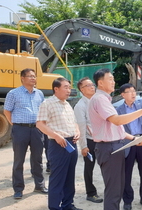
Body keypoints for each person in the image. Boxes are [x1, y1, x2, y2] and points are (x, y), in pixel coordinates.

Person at [88, 68, 142, 210]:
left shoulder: (106, 100)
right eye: (110, 79)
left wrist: (134, 139)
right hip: (109, 148)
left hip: (116, 146)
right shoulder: (100, 99)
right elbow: (118, 121)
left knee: (117, 190)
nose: (113, 82)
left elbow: (117, 130)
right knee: (113, 192)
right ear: (100, 83)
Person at [36, 77, 82, 210]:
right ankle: (54, 207)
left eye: (69, 87)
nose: (69, 90)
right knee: (58, 178)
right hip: (58, 144)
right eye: (66, 87)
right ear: (56, 89)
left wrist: (77, 131)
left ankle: (68, 204)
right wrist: (56, 136)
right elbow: (39, 124)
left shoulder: (67, 104)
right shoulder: (47, 103)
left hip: (71, 143)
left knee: (69, 177)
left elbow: (73, 122)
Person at [3, 68, 48, 199]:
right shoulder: (13, 93)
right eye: (30, 76)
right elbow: (7, 111)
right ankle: (18, 189)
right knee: (19, 160)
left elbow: (43, 110)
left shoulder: (39, 94)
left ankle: (39, 185)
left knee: (37, 159)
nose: (33, 78)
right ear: (22, 78)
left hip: (36, 129)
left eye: (34, 76)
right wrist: (15, 124)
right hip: (20, 130)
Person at [74, 77, 103, 203]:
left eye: (92, 84)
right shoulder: (80, 106)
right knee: (89, 168)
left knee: (106, 166)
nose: (92, 87)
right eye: (88, 85)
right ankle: (90, 193)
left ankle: (111, 189)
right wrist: (83, 146)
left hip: (102, 139)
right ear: (82, 89)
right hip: (90, 140)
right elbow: (81, 127)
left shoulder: (97, 101)